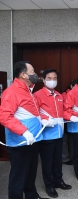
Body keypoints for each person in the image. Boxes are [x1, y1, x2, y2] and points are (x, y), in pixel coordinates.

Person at [0, 61, 47, 199]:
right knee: (18, 177)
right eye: (32, 71)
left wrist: (44, 118)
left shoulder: (28, 91)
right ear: (23, 75)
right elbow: (4, 117)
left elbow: (33, 112)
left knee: (31, 173)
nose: (35, 74)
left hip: (33, 140)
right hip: (20, 143)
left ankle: (32, 196)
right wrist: (24, 132)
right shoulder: (12, 92)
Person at [34, 69, 72, 198]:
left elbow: (64, 112)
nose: (52, 81)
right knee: (47, 162)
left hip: (59, 134)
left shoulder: (60, 96)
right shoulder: (37, 95)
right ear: (43, 80)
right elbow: (35, 113)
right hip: (46, 136)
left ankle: (58, 181)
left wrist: (71, 117)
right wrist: (45, 119)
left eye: (54, 78)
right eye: (49, 78)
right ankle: (49, 185)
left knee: (57, 160)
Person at [61, 79, 76, 165]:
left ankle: (72, 156)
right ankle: (65, 158)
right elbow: (64, 109)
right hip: (66, 120)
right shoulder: (64, 95)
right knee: (65, 140)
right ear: (71, 86)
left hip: (74, 120)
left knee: (72, 140)